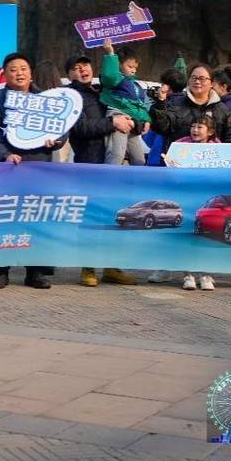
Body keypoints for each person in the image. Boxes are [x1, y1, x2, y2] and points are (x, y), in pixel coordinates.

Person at [0, 52, 64, 290]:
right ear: (5, 75)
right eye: (13, 69)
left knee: (36, 219)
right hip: (7, 167)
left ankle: (35, 272)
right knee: (4, 218)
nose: (19, 73)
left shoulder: (46, 99)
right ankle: (1, 271)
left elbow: (62, 126)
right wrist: (4, 155)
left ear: (31, 73)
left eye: (23, 68)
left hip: (38, 166)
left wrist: (56, 140)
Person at [65, 53, 137, 287]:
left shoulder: (103, 90)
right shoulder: (71, 97)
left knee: (114, 216)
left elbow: (126, 111)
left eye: (85, 65)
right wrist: (112, 123)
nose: (82, 69)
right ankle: (88, 267)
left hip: (115, 167)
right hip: (90, 164)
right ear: (69, 74)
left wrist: (134, 122)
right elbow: (80, 128)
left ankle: (112, 267)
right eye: (76, 67)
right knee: (91, 218)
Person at [165, 115, 218, 293]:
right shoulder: (180, 145)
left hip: (207, 201)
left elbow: (228, 171)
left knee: (206, 238)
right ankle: (188, 275)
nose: (195, 130)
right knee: (187, 236)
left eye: (200, 127)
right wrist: (169, 162)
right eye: (193, 126)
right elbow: (170, 171)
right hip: (186, 199)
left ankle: (206, 275)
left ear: (210, 132)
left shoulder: (219, 148)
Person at [150, 64, 231, 152]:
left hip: (213, 160)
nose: (197, 81)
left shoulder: (223, 109)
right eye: (193, 78)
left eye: (202, 78)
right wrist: (160, 102)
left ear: (211, 83)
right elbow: (161, 128)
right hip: (178, 159)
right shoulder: (175, 103)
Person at [98, 38, 151, 166]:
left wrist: (146, 120)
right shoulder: (117, 79)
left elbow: (140, 107)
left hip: (132, 122)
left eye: (135, 67)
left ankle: (137, 178)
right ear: (119, 65)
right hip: (118, 115)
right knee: (116, 154)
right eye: (130, 66)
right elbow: (110, 76)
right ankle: (108, 177)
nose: (133, 70)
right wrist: (110, 54)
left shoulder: (135, 86)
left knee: (139, 158)